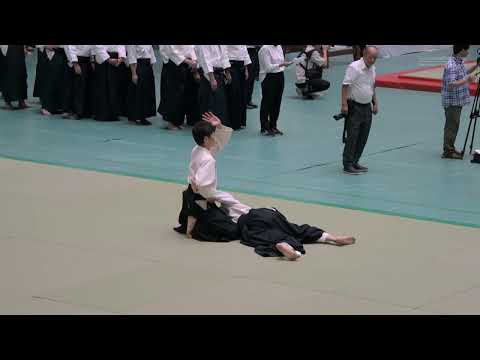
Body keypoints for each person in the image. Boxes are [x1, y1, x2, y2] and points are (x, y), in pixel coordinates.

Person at [340, 46, 379, 175]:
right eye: (371, 57)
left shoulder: (372, 69)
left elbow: (372, 87)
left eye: (375, 58)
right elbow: (345, 85)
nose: (373, 60)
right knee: (352, 136)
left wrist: (375, 103)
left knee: (363, 136)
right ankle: (347, 164)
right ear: (364, 54)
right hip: (354, 107)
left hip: (367, 107)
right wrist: (344, 104)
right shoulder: (354, 67)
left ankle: (355, 161)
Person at [440, 44, 479, 159]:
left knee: (454, 124)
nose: (468, 52)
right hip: (452, 101)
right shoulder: (451, 65)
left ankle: (450, 148)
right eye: (467, 49)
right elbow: (451, 85)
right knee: (452, 125)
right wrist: (467, 79)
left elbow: (463, 73)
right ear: (462, 50)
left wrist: (476, 66)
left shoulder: (458, 61)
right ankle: (448, 151)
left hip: (457, 99)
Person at [258, 45, 293, 136]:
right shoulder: (265, 49)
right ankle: (264, 127)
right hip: (268, 77)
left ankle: (273, 125)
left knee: (277, 102)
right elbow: (267, 68)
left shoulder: (279, 47)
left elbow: (281, 62)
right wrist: (282, 64)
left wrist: (284, 65)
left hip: (280, 75)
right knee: (267, 102)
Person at [162, 45, 199, 130]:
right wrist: (187, 61)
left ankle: (178, 121)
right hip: (173, 64)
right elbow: (172, 51)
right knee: (174, 93)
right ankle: (171, 122)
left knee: (183, 94)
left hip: (186, 64)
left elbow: (191, 48)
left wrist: (194, 60)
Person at [195, 45, 231, 126]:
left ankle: (218, 126)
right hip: (208, 74)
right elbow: (205, 60)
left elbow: (224, 56)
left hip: (220, 73)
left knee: (220, 103)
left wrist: (227, 73)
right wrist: (211, 78)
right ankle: (206, 128)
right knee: (209, 102)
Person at [92, 45, 127, 122]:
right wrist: (108, 59)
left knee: (114, 87)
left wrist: (121, 58)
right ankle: (102, 113)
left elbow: (121, 46)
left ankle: (114, 113)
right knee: (103, 87)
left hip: (116, 59)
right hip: (103, 60)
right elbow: (98, 47)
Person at [126, 45, 157, 126]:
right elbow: (132, 56)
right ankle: (133, 116)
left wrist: (151, 69)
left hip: (147, 66)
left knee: (146, 91)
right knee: (136, 91)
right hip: (138, 66)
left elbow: (151, 55)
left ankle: (143, 116)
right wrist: (134, 74)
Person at [39, 45, 72, 116]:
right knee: (50, 80)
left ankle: (62, 107)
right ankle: (47, 107)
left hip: (66, 53)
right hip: (51, 52)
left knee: (64, 82)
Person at [64, 45, 95, 119]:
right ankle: (76, 112)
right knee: (77, 88)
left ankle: (86, 112)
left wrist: (92, 61)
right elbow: (70, 48)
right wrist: (75, 64)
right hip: (78, 61)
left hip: (87, 61)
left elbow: (93, 48)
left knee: (85, 87)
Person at [225, 45, 251, 130]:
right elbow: (224, 53)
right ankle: (232, 122)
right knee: (233, 94)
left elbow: (244, 51)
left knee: (241, 95)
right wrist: (227, 72)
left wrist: (246, 69)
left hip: (241, 66)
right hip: (231, 66)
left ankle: (240, 121)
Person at [0, 45, 33, 109]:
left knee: (22, 74)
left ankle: (21, 101)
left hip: (19, 49)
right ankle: (7, 102)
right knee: (8, 75)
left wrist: (27, 49)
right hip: (7, 49)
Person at [245, 45, 261, 109]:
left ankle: (249, 100)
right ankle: (245, 102)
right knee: (248, 79)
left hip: (255, 51)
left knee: (252, 79)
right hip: (248, 51)